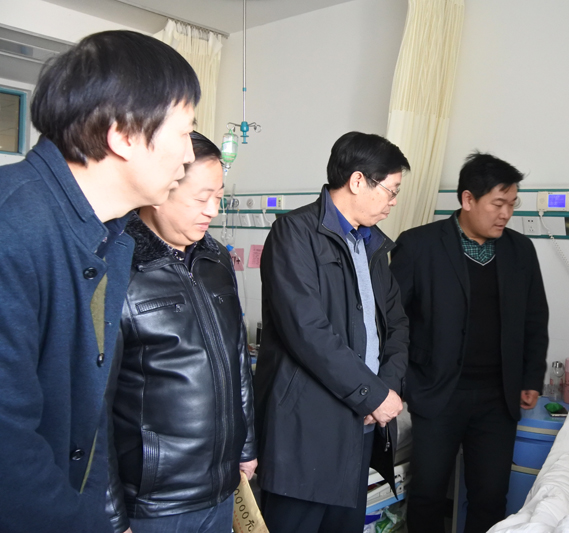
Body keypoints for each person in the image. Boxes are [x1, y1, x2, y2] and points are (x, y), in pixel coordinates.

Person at [0, 31, 199, 533]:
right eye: (184, 133)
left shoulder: (107, 236)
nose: (188, 157)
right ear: (123, 135)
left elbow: (83, 419)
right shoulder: (12, 225)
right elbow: (8, 444)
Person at [254, 131, 410, 533]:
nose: (394, 202)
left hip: (362, 425)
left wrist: (387, 390)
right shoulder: (294, 233)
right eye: (391, 191)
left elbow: (396, 324)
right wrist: (373, 394)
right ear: (358, 181)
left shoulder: (372, 246)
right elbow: (307, 331)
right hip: (306, 430)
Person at [390, 152, 550, 533]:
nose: (506, 214)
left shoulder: (520, 251)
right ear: (467, 199)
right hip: (437, 392)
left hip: (498, 398)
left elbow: (535, 318)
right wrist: (402, 380)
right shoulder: (419, 246)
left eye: (512, 204)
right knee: (427, 494)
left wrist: (531, 377)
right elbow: (392, 321)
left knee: (490, 497)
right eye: (498, 203)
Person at [106, 132, 256, 533]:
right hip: (155, 502)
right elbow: (92, 407)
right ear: (160, 189)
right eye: (201, 197)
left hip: (223, 487)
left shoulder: (215, 258)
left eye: (219, 197)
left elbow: (237, 357)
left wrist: (245, 447)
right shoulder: (116, 266)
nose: (212, 210)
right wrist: (111, 516)